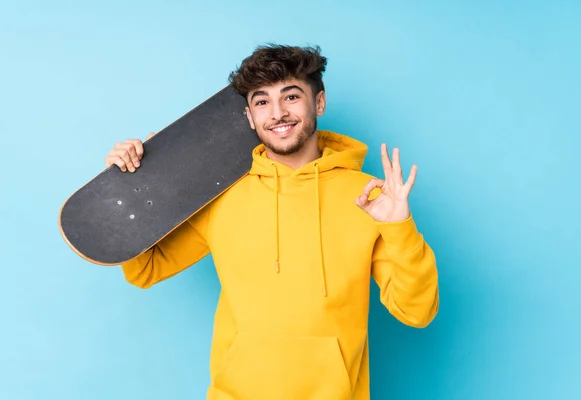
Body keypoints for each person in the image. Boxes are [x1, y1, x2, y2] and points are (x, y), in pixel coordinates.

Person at [105, 44, 439, 400]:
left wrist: (399, 227)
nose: (277, 113)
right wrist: (134, 187)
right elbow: (145, 269)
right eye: (262, 101)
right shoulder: (221, 194)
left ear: (320, 103)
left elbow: (417, 311)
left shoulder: (371, 197)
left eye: (291, 97)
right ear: (250, 117)